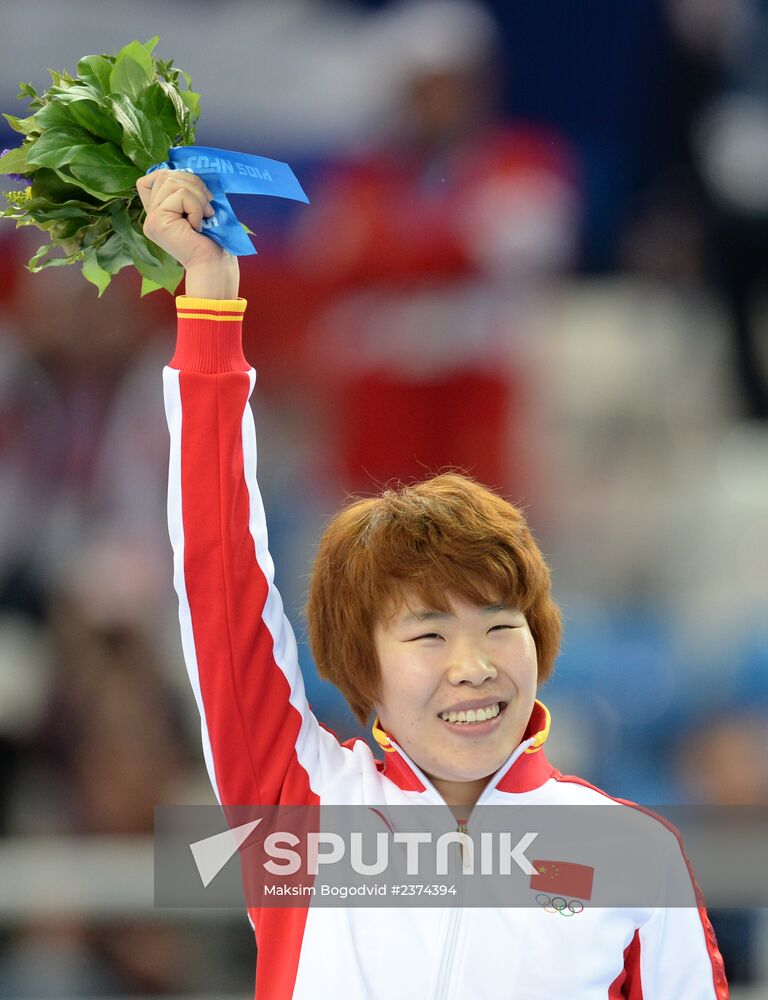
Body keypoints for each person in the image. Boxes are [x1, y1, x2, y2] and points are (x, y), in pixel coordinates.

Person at [136, 171, 729, 999]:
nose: (474, 665)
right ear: (361, 666)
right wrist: (210, 303)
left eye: (499, 624)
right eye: (426, 634)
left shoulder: (629, 855)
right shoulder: (303, 809)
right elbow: (217, 569)